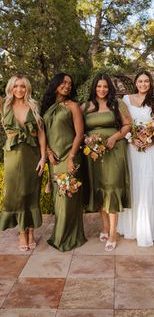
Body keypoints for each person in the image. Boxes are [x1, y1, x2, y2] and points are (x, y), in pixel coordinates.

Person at [81, 73, 131, 251]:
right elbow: (78, 129)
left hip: (113, 151)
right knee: (100, 189)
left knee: (111, 189)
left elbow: (127, 125)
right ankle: (104, 227)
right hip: (93, 153)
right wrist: (87, 139)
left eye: (105, 87)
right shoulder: (85, 106)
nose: (102, 90)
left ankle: (112, 234)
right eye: (99, 86)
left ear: (110, 88)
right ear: (94, 87)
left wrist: (114, 137)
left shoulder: (117, 104)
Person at [117, 71, 154, 247]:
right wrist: (133, 139)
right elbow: (123, 123)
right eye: (140, 81)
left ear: (150, 83)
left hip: (153, 149)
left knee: (149, 185)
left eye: (146, 81)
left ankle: (149, 228)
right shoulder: (126, 100)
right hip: (132, 148)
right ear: (135, 83)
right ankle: (133, 227)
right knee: (135, 184)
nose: (143, 84)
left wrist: (151, 140)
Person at [0, 74, 46, 251]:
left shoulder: (33, 106)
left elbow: (41, 133)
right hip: (12, 155)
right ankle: (21, 232)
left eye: (23, 86)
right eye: (16, 86)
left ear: (27, 88)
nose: (19, 90)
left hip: (32, 154)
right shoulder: (4, 105)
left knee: (31, 192)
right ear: (11, 88)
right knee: (15, 194)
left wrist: (43, 158)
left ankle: (31, 231)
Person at [41, 73, 86, 251]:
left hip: (69, 156)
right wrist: (48, 152)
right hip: (53, 159)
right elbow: (41, 134)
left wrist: (71, 158)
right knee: (58, 200)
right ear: (55, 84)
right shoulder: (46, 107)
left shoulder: (73, 106)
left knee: (68, 198)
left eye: (69, 83)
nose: (67, 86)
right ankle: (60, 234)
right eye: (63, 82)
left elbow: (80, 134)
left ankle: (68, 238)